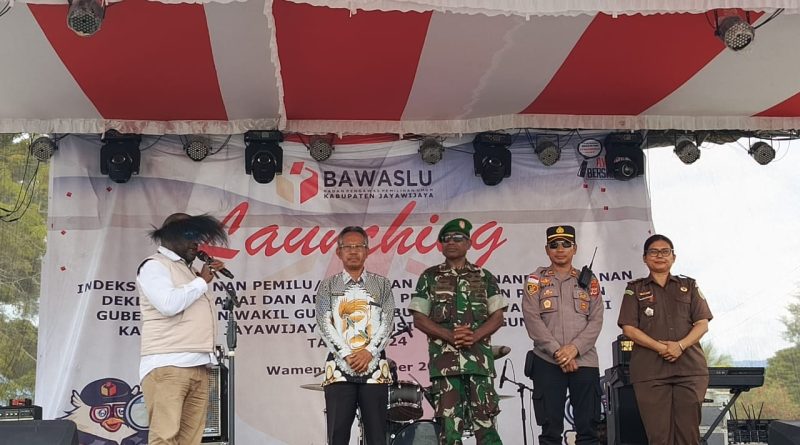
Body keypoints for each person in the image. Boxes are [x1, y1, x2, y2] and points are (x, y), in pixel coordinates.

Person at [409, 218, 506, 445]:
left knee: (487, 429)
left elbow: (498, 317)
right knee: (449, 433)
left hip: (479, 365)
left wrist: (474, 336)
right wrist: (449, 336)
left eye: (458, 238)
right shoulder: (429, 277)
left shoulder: (484, 276)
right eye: (446, 239)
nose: (451, 242)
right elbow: (419, 318)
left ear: (469, 244)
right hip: (445, 367)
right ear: (441, 245)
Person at [136, 213, 228, 445]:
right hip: (169, 364)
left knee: (191, 440)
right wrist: (201, 281)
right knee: (165, 436)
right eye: (189, 236)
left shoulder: (188, 270)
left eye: (198, 237)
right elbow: (168, 304)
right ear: (169, 237)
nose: (196, 243)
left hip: (198, 364)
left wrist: (200, 278)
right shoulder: (154, 265)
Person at [617, 234, 713, 445]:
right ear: (645, 258)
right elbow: (629, 328)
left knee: (689, 436)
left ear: (673, 257)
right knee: (659, 436)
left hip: (689, 370)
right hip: (651, 372)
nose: (659, 256)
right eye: (653, 252)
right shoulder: (635, 288)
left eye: (665, 251)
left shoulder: (689, 285)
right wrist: (660, 348)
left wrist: (680, 346)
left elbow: (702, 323)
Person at [521, 225, 603, 445]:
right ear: (546, 250)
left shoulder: (589, 280)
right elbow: (531, 318)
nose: (560, 249)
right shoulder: (535, 280)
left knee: (589, 431)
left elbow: (596, 320)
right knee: (550, 432)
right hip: (547, 361)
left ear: (574, 249)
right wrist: (559, 352)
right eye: (554, 245)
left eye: (566, 244)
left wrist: (574, 349)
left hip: (584, 360)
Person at [316, 226, 395, 445]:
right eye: (347, 247)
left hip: (375, 370)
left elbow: (388, 322)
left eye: (359, 246)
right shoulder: (328, 285)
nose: (353, 251)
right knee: (337, 436)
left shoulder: (381, 284)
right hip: (339, 370)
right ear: (338, 252)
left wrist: (369, 352)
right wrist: (346, 354)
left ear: (367, 251)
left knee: (377, 437)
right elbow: (323, 323)